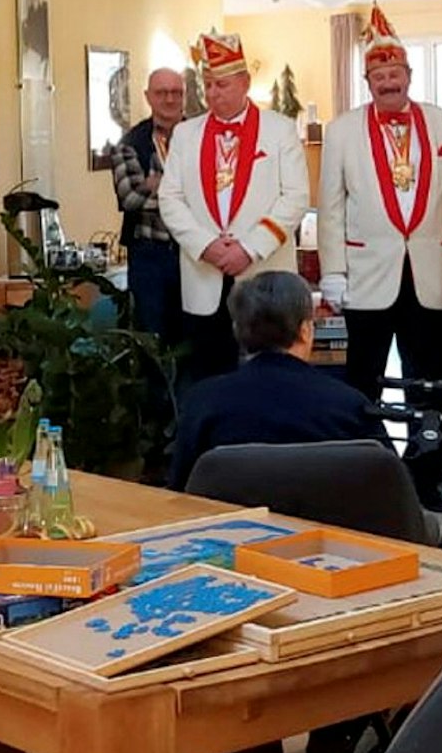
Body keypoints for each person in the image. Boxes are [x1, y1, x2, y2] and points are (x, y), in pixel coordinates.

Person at [316, 5, 442, 510]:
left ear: (409, 76)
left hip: (430, 275)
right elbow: (330, 207)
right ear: (367, 81)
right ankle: (367, 470)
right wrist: (333, 271)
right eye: (378, 76)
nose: (388, 82)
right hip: (366, 278)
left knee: (430, 384)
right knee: (363, 381)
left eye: (395, 74)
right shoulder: (342, 130)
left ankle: (430, 478)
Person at [158, 31, 309, 387]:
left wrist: (249, 247)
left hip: (264, 273)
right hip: (205, 276)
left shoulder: (280, 130)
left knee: (271, 377)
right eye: (207, 85)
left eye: (221, 85)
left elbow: (296, 197)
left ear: (245, 82)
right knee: (209, 377)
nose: (212, 94)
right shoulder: (185, 134)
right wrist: (205, 245)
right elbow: (170, 197)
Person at [170, 272, 392, 491]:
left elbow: (181, 493)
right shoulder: (350, 406)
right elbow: (396, 490)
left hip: (231, 525)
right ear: (305, 330)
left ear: (238, 331)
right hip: (327, 525)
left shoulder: (202, 402)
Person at [112, 67, 189, 344]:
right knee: (152, 339)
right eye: (161, 93)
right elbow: (129, 198)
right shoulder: (130, 143)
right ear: (148, 97)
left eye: (176, 92)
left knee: (194, 340)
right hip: (149, 256)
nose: (169, 99)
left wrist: (157, 183)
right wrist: (182, 190)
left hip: (195, 255)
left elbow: (215, 191)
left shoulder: (201, 137)